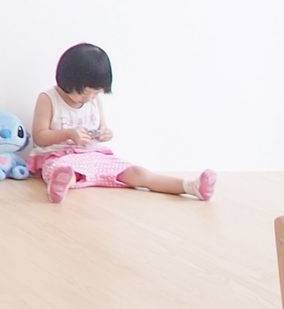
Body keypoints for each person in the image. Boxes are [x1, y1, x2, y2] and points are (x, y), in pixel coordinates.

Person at [32, 43, 216, 204]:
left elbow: (101, 127)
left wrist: (105, 133)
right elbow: (40, 136)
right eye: (84, 93)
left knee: (138, 174)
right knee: (67, 173)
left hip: (94, 155)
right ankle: (60, 186)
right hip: (58, 157)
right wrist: (68, 134)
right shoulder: (48, 99)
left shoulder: (93, 101)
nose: (89, 98)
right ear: (67, 81)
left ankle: (191, 186)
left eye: (95, 94)